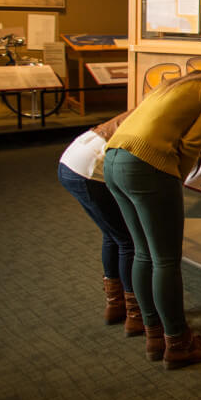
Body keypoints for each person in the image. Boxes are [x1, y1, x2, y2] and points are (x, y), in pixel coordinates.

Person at [104, 50, 201, 369]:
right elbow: (192, 144)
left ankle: (154, 334)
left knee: (144, 253)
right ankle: (178, 343)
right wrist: (176, 179)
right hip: (148, 166)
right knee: (166, 260)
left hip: (114, 160)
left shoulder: (183, 83)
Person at [57, 111, 140, 334]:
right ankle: (135, 314)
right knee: (128, 241)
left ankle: (115, 305)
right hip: (89, 171)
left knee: (112, 235)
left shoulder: (144, 108)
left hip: (72, 161)